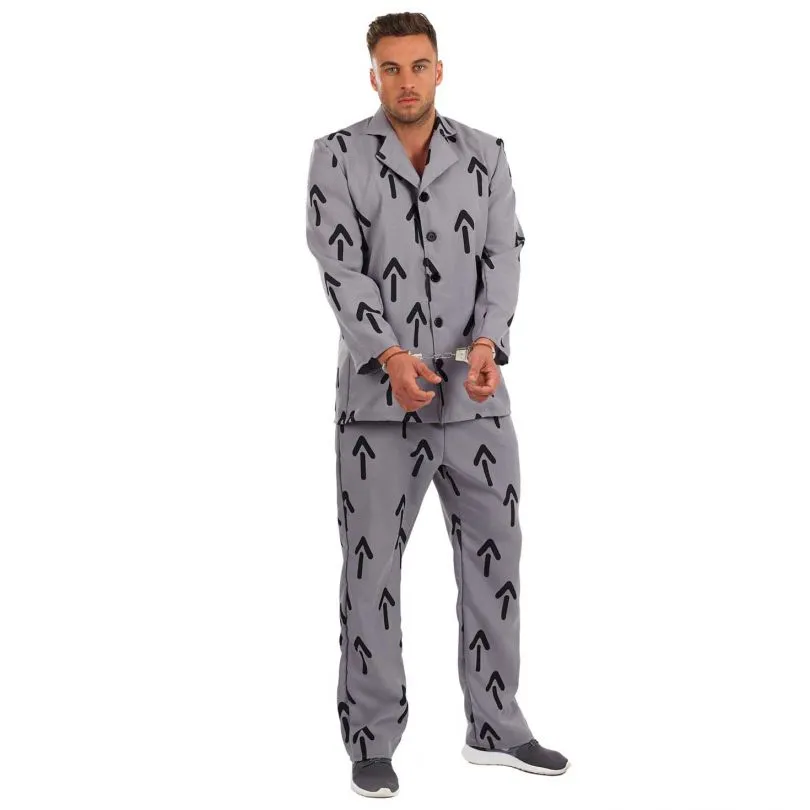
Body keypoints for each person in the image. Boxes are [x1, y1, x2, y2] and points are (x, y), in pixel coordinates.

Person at [305, 11, 569, 799]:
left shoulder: (486, 156)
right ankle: (372, 739)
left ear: (439, 70)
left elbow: (502, 256)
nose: (406, 82)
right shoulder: (338, 156)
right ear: (373, 75)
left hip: (476, 405)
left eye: (418, 66)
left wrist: (488, 344)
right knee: (371, 571)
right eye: (391, 68)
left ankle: (497, 728)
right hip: (378, 410)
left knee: (497, 561)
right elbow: (340, 269)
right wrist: (389, 355)